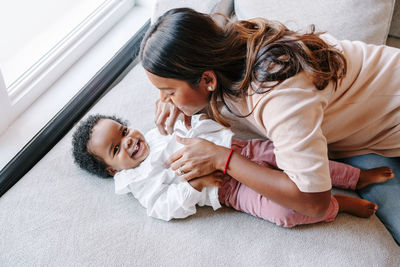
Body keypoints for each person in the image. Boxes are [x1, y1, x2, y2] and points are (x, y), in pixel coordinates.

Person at [139, 8, 400, 244]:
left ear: (207, 78)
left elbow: (315, 203)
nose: (164, 101)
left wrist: (222, 158)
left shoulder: (279, 93)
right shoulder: (231, 49)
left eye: (168, 91)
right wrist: (182, 98)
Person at [71, 113, 393, 225]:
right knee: (283, 214)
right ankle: (338, 206)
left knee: (296, 159)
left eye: (124, 131)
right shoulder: (139, 181)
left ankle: (355, 177)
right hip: (230, 190)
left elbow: (199, 123)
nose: (128, 142)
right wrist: (194, 185)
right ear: (114, 171)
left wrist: (192, 120)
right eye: (116, 149)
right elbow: (163, 208)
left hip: (239, 150)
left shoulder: (159, 132)